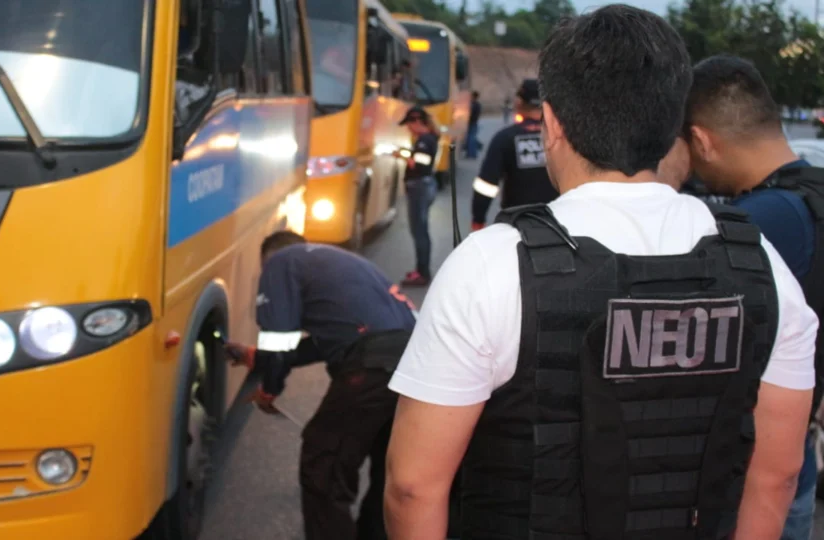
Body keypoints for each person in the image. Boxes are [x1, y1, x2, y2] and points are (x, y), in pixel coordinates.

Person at [383, 6, 818, 540]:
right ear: (671, 125)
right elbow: (776, 477)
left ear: (554, 124)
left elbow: (413, 487)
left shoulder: (489, 266)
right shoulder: (763, 266)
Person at [682, 54, 824, 540]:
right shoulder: (812, 198)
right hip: (795, 459)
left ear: (701, 140)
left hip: (747, 482)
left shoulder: (755, 226)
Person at [224, 231, 416, 540]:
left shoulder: (281, 261)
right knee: (388, 468)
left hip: (371, 366)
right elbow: (331, 340)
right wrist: (257, 358)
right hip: (415, 366)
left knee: (324, 464)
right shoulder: (343, 262)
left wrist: (270, 387)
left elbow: (278, 341)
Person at [471, 78, 557, 231]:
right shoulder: (560, 138)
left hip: (517, 225)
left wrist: (478, 219)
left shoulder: (505, 138)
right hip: (558, 224)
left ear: (519, 103)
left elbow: (486, 185)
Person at [397, 106, 440, 287]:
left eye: (409, 124)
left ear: (416, 122)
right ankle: (421, 269)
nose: (408, 128)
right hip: (424, 186)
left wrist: (404, 156)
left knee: (419, 231)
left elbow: (422, 164)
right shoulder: (428, 138)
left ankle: (422, 273)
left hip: (419, 188)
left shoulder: (424, 140)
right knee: (420, 230)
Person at [465, 90, 483, 159]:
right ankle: (472, 153)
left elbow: (470, 114)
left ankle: (471, 154)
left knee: (471, 138)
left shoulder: (473, 104)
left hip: (472, 123)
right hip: (474, 123)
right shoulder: (477, 104)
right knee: (472, 138)